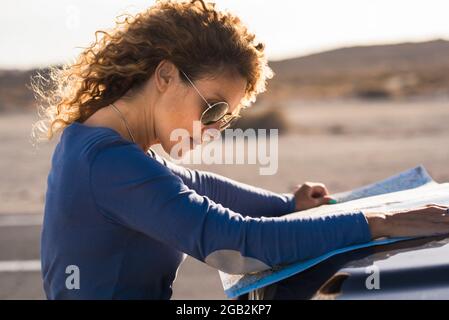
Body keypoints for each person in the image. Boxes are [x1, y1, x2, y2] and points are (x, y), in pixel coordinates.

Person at [33, 0, 449, 299]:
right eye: (211, 108)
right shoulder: (108, 162)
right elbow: (236, 245)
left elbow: (202, 186)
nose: (213, 129)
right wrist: (380, 221)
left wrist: (290, 204)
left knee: (317, 262)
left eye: (224, 119)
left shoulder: (105, 143)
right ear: (165, 75)